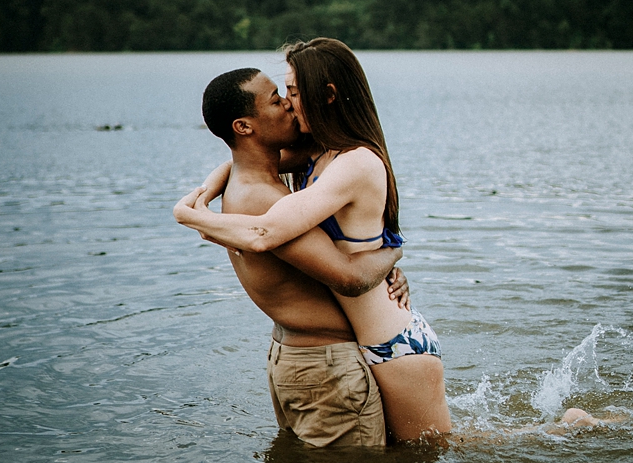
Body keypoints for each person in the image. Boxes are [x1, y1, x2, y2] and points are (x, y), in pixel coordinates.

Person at [175, 39, 452, 442]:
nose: (287, 103)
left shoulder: (353, 162)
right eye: (281, 96)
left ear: (327, 96)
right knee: (412, 457)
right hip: (361, 340)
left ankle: (561, 433)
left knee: (435, 455)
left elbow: (265, 233)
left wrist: (393, 252)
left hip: (392, 342)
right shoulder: (314, 154)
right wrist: (205, 193)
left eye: (292, 92)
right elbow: (242, 161)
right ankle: (562, 430)